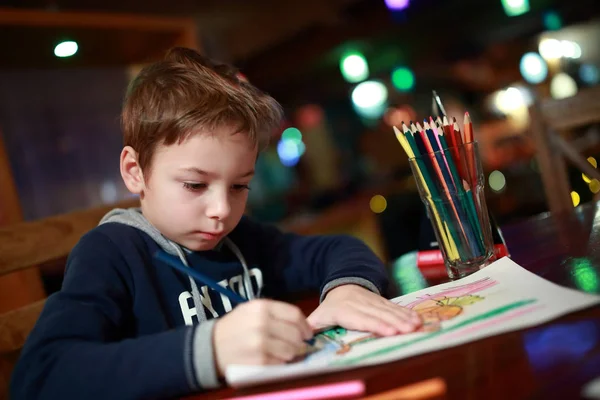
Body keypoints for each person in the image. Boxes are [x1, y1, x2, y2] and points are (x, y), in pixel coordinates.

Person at [10, 47, 421, 400]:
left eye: (240, 186)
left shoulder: (240, 238)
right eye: (194, 184)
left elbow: (338, 249)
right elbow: (41, 377)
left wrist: (347, 289)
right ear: (135, 172)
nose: (221, 210)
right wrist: (212, 349)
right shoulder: (112, 253)